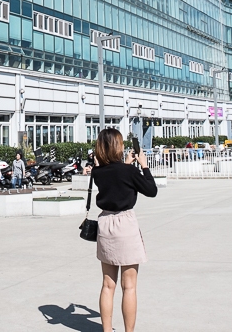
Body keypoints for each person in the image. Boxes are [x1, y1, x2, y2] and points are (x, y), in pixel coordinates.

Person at [90, 129, 158, 332]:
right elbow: (151, 190)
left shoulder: (97, 172)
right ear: (117, 147)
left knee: (107, 284)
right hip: (125, 224)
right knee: (129, 286)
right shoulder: (128, 172)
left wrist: (127, 165)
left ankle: (107, 330)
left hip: (105, 224)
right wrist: (144, 165)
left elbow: (115, 179)